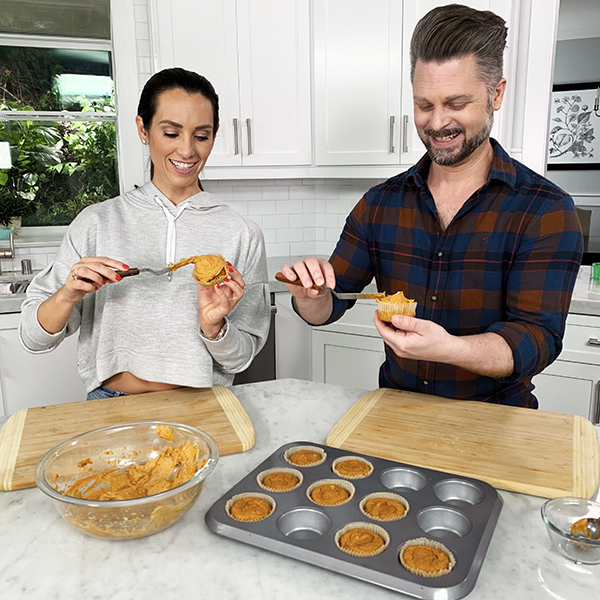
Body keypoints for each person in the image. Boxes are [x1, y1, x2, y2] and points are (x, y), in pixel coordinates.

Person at [280, 4, 583, 408]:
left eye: (456, 103)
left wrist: (450, 349)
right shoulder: (379, 204)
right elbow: (330, 304)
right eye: (424, 104)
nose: (437, 123)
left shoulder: (546, 210)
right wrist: (309, 294)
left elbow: (538, 338)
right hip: (398, 413)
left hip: (495, 422)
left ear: (496, 94)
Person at [19, 67, 271, 400]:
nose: (186, 151)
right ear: (143, 129)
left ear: (214, 135)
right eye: (171, 133)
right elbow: (34, 339)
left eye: (201, 135)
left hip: (203, 407)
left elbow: (240, 359)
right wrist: (68, 294)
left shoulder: (242, 233)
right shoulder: (96, 222)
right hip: (111, 403)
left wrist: (215, 327)